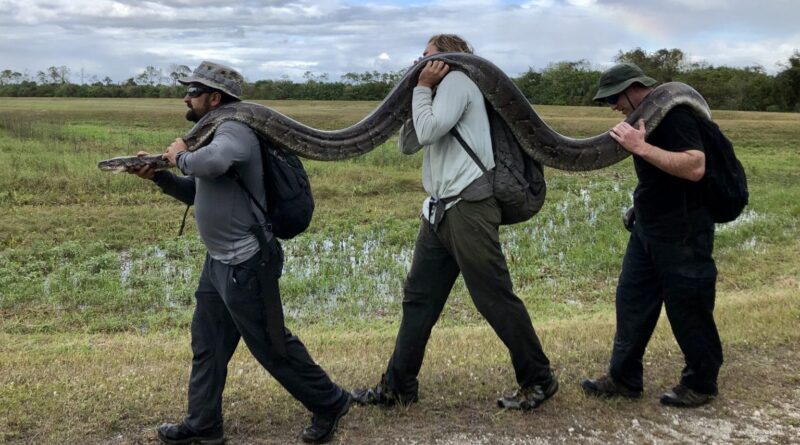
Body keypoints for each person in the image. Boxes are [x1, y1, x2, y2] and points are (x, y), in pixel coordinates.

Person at [128, 61, 351, 444]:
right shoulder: (214, 131)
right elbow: (198, 192)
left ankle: (330, 402)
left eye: (193, 92)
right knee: (208, 343)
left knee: (271, 344)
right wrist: (162, 177)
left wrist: (177, 156)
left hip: (247, 262)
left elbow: (211, 163)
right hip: (218, 261)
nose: (187, 97)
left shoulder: (235, 128)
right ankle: (203, 425)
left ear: (214, 98)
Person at [351, 34, 557, 410]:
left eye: (429, 56)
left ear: (449, 57)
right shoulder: (436, 89)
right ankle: (398, 386)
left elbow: (428, 131)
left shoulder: (460, 83)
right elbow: (409, 143)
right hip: (439, 209)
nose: (421, 62)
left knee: (493, 297)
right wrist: (421, 92)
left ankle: (538, 379)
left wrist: (425, 86)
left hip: (469, 205)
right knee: (418, 300)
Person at [581, 62, 723, 407]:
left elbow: (694, 166)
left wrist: (639, 147)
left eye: (614, 98)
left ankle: (701, 384)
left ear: (632, 89)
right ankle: (623, 378)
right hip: (649, 225)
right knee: (631, 301)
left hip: (685, 228)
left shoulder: (677, 116)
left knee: (688, 307)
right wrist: (639, 206)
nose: (612, 106)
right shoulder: (645, 119)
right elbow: (658, 176)